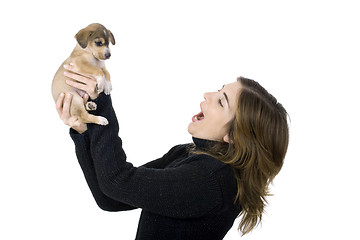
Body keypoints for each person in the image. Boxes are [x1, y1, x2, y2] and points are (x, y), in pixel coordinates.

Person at [56, 64, 289, 239]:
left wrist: (101, 101)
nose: (208, 95)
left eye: (221, 101)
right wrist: (85, 128)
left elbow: (116, 181)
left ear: (235, 136)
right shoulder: (189, 154)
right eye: (218, 90)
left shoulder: (211, 180)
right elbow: (110, 197)